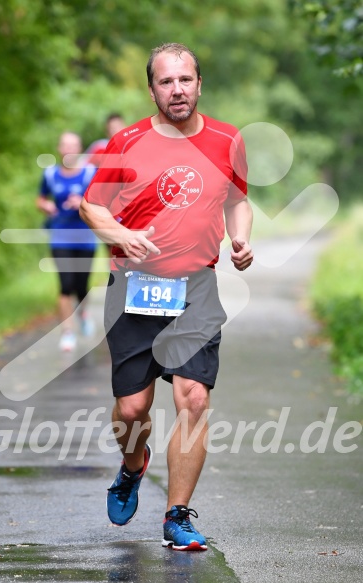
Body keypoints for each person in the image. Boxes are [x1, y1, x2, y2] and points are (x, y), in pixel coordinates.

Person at [80, 43, 253, 550]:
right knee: (132, 411)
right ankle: (133, 466)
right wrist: (122, 235)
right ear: (151, 88)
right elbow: (92, 206)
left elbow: (240, 199)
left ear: (200, 83)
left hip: (195, 288)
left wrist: (241, 238)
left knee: (193, 398)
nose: (176, 89)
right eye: (165, 81)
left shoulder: (226, 140)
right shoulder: (127, 141)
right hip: (134, 287)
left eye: (185, 80)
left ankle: (177, 516)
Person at [37, 131, 98, 352]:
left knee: (81, 287)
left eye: (74, 145)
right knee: (65, 285)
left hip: (85, 239)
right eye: (66, 145)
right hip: (60, 237)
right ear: (59, 149)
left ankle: (82, 313)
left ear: (79, 148)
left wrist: (83, 202)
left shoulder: (90, 173)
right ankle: (68, 332)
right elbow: (40, 199)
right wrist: (45, 206)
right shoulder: (50, 175)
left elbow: (102, 201)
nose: (70, 150)